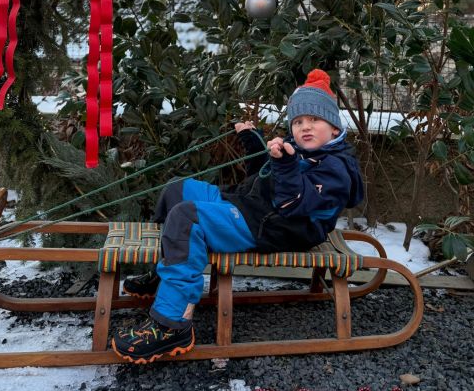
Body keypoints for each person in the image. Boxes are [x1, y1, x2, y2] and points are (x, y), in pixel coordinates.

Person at [111, 69, 364, 363]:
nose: (305, 127)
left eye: (314, 120)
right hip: (251, 204)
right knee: (176, 191)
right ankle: (166, 272)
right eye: (298, 121)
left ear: (334, 127)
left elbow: (292, 204)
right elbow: (262, 177)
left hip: (275, 227)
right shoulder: (299, 150)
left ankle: (172, 322)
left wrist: (286, 165)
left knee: (186, 218)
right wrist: (254, 144)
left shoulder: (336, 170)